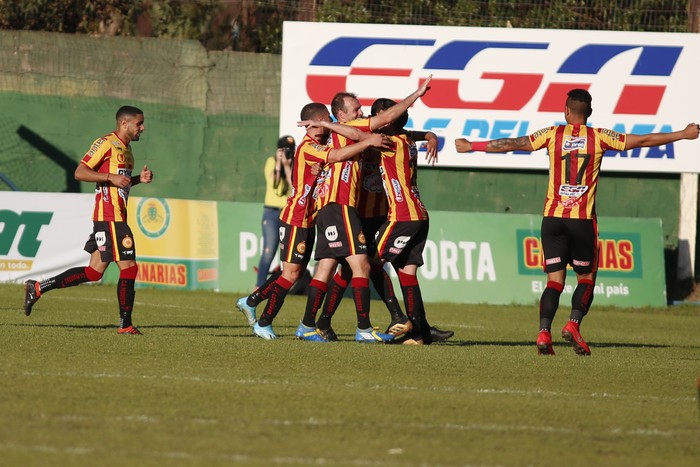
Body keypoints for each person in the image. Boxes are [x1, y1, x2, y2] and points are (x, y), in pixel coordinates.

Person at [455, 88, 700, 356]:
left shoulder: (552, 134)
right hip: (582, 221)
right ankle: (573, 325)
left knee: (554, 281)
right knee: (586, 278)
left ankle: (543, 333)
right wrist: (683, 134)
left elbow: (512, 143)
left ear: (566, 111)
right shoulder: (600, 137)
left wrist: (471, 146)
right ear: (590, 113)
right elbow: (643, 141)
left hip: (553, 219)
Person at [294, 80, 434, 343]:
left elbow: (390, 129)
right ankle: (369, 327)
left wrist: (425, 134)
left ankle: (312, 324)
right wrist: (417, 94)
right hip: (340, 206)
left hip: (349, 209)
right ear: (342, 115)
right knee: (362, 264)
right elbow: (384, 120)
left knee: (331, 268)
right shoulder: (347, 129)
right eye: (356, 109)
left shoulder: (338, 132)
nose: (362, 113)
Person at [249, 102, 391, 340]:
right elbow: (334, 156)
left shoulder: (320, 146)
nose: (332, 122)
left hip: (310, 218)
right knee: (290, 274)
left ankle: (266, 310)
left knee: (303, 272)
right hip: (296, 218)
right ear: (319, 120)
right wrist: (368, 141)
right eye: (328, 118)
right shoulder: (308, 147)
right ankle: (262, 318)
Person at [23, 105, 154, 334]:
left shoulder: (127, 150)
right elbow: (80, 171)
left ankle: (38, 287)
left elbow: (117, 184)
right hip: (110, 217)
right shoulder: (105, 143)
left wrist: (136, 180)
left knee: (94, 272)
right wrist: (109, 176)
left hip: (113, 217)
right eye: (138, 124)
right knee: (129, 268)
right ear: (124, 123)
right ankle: (125, 324)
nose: (142, 128)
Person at [249, 136, 295, 309]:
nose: (287, 152)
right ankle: (258, 287)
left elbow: (294, 188)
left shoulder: (294, 164)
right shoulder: (271, 161)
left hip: (287, 212)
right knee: (268, 251)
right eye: (284, 149)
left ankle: (280, 286)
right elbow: (275, 184)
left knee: (288, 253)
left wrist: (287, 166)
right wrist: (279, 164)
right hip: (271, 212)